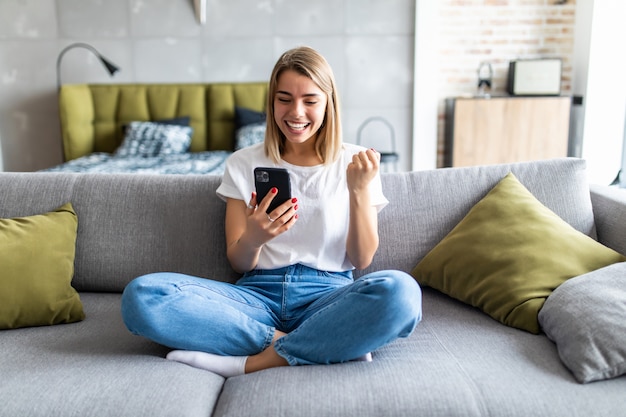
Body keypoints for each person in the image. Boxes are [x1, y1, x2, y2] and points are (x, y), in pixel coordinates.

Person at [121, 46, 422, 378]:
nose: (296, 112)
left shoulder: (357, 162)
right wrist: (254, 237)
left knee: (401, 293)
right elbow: (239, 261)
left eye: (310, 100)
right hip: (254, 298)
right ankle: (322, 345)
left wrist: (359, 189)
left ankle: (254, 362)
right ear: (271, 102)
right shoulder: (242, 163)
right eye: (284, 99)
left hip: (328, 297)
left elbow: (362, 259)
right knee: (143, 296)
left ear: (328, 102)